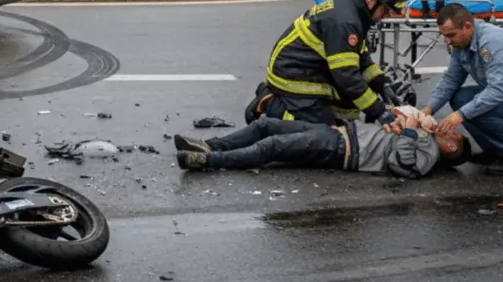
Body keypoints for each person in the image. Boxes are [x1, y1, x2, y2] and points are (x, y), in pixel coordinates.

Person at [244, 0, 409, 127]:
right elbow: (347, 77)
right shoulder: (346, 22)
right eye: (385, 10)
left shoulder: (355, 12)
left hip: (309, 69)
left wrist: (382, 84)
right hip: (292, 75)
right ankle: (271, 105)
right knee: (322, 133)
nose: (385, 16)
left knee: (348, 112)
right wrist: (379, 111)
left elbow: (361, 59)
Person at [172, 106, 470, 178]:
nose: (449, 129)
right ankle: (210, 144)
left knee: (272, 146)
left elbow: (404, 166)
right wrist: (401, 115)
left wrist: (409, 130)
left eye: (454, 135)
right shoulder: (428, 136)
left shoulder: (429, 153)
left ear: (451, 148)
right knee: (265, 124)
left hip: (343, 150)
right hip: (341, 132)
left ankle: (207, 160)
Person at [420, 3, 503, 174]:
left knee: (467, 109)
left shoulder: (492, 42)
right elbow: (451, 79)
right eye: (444, 36)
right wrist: (428, 110)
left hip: (499, 92)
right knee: (461, 98)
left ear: (467, 27)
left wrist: (460, 115)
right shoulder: (462, 42)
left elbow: (497, 90)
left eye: (451, 35)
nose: (447, 41)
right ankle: (494, 151)